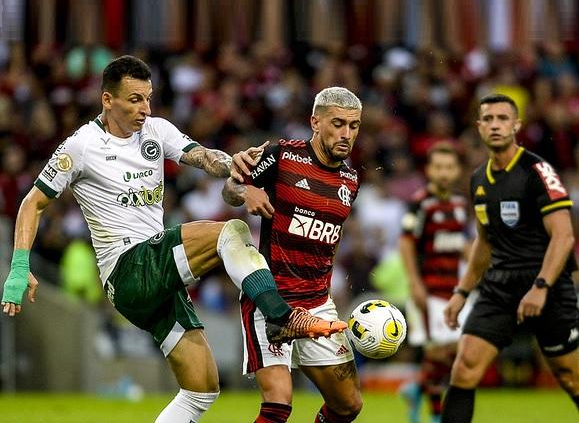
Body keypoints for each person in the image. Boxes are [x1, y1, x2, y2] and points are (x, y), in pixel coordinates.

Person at [1, 55, 346, 423]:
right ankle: (280, 316)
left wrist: (238, 165)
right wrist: (19, 267)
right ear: (107, 100)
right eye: (134, 99)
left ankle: (275, 318)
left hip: (155, 280)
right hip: (128, 267)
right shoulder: (81, 145)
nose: (144, 108)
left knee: (201, 389)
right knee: (232, 232)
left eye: (148, 98)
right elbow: (31, 203)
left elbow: (203, 157)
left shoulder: (156, 130)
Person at [441, 94, 579, 422]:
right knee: (463, 369)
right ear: (478, 127)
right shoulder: (478, 180)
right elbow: (483, 242)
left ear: (516, 125)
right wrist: (461, 292)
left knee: (570, 377)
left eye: (503, 118)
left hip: (546, 283)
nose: (495, 125)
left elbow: (564, 236)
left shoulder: (538, 171)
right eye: (488, 119)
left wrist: (541, 286)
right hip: (499, 286)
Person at [223, 86, 363, 422]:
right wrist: (246, 191)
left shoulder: (351, 179)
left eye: (354, 126)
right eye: (338, 123)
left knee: (348, 406)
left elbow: (328, 238)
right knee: (278, 404)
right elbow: (228, 188)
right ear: (315, 122)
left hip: (316, 304)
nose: (346, 134)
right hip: (270, 298)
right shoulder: (282, 156)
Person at [398, 141, 468, 423]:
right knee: (437, 352)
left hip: (452, 290)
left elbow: (456, 243)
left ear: (457, 171)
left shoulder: (460, 204)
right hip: (428, 289)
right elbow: (405, 243)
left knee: (453, 351)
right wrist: (415, 283)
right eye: (438, 167)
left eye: (449, 167)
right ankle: (436, 415)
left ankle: (415, 389)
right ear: (429, 170)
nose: (443, 173)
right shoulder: (420, 203)